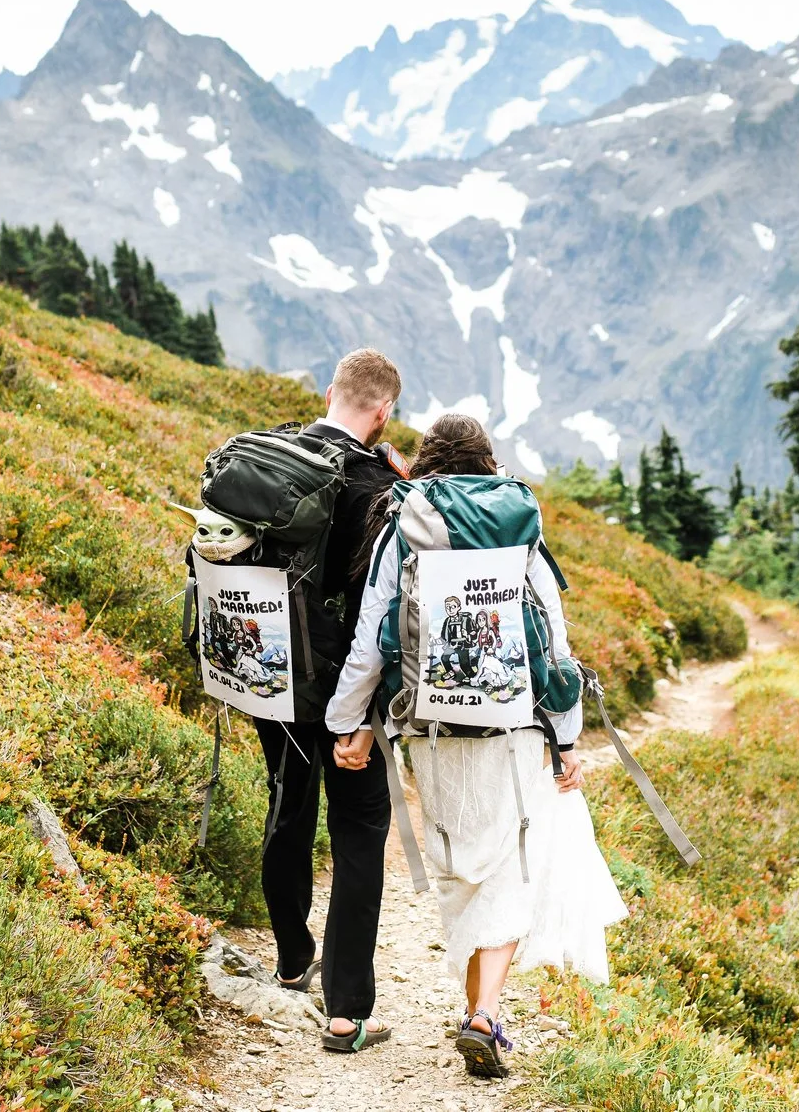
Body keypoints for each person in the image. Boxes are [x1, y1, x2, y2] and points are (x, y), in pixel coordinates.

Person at [326, 413, 628, 1079]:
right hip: (512, 723)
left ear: (429, 459)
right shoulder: (518, 519)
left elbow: (372, 632)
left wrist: (346, 721)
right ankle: (485, 1014)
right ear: (488, 462)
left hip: (429, 726)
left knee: (462, 869)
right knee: (510, 869)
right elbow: (553, 632)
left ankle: (480, 1012)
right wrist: (568, 734)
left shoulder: (403, 518)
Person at [257, 347, 406, 1052]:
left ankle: (292, 955)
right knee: (357, 830)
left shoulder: (274, 451)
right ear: (383, 414)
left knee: (287, 801)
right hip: (343, 688)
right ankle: (346, 1010)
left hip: (270, 672)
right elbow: (383, 611)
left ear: (328, 393)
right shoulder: (375, 483)